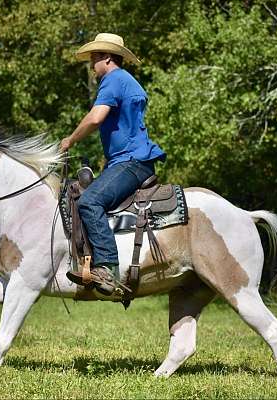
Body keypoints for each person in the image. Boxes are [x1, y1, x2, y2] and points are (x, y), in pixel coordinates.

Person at [61, 33, 166, 295]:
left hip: (131, 162)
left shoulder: (113, 80)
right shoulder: (126, 81)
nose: (92, 64)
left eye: (94, 58)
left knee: (88, 201)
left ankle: (107, 268)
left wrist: (70, 140)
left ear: (107, 58)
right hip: (131, 160)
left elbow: (96, 118)